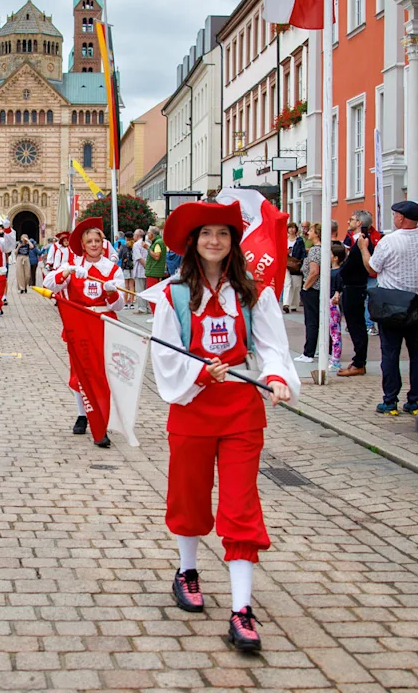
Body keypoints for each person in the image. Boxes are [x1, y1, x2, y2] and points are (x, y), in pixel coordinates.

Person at [141, 200, 298, 654]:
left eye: (223, 234)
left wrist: (276, 378)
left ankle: (241, 610)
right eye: (207, 233)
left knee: (240, 503)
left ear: (233, 243)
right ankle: (187, 570)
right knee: (188, 493)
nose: (215, 241)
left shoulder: (253, 293)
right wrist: (197, 374)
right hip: (192, 408)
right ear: (193, 243)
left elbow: (271, 346)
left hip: (241, 411)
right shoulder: (172, 295)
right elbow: (165, 354)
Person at [43, 216, 125, 447]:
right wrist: (66, 272)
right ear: (83, 244)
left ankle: (103, 417)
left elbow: (119, 305)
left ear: (103, 242)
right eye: (89, 241)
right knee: (80, 369)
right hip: (78, 324)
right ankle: (83, 414)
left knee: (102, 372)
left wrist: (111, 292)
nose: (94, 245)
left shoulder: (112, 269)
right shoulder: (74, 264)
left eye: (97, 240)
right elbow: (50, 285)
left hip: (103, 324)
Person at [357, 200, 418, 416]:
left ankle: (390, 400)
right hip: (417, 307)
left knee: (390, 354)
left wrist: (364, 249)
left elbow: (372, 269)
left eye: (394, 215)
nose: (394, 218)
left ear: (401, 217)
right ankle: (416, 400)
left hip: (390, 308)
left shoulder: (389, 241)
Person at [338, 210, 379, 376]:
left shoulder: (363, 242)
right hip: (350, 286)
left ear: (359, 223)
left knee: (357, 325)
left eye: (352, 219)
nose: (349, 221)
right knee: (353, 324)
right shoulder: (354, 241)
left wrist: (343, 269)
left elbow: (356, 265)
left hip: (356, 287)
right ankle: (358, 359)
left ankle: (359, 362)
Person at [294, 223, 323, 363]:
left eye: (311, 230)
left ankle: (308, 353)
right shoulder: (323, 249)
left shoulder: (315, 251)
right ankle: (325, 349)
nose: (308, 233)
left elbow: (314, 271)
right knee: (320, 320)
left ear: (317, 233)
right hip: (319, 290)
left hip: (313, 289)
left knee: (311, 321)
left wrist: (305, 287)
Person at [328, 242, 345, 372]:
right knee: (332, 331)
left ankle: (336, 359)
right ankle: (333, 356)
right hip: (329, 302)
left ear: (336, 258)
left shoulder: (338, 272)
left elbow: (339, 288)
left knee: (335, 331)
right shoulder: (331, 271)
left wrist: (337, 295)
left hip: (333, 304)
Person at [283, 223, 306, 313]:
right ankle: (286, 304)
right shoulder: (285, 240)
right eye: (290, 228)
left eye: (293, 228)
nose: (291, 230)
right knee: (287, 283)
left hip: (296, 263)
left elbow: (303, 252)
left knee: (296, 285)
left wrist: (302, 262)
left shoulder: (299, 240)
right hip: (286, 263)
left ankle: (293, 304)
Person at [144, 226, 167, 314]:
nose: (147, 235)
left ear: (152, 234)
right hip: (156, 271)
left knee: (152, 295)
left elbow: (157, 256)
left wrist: (148, 248)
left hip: (153, 271)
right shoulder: (159, 242)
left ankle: (155, 314)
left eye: (148, 233)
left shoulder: (157, 243)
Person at [132, 229, 149, 312]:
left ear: (137, 236)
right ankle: (148, 307)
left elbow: (139, 258)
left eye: (134, 235)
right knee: (147, 289)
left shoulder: (136, 245)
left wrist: (146, 267)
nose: (133, 236)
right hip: (148, 270)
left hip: (140, 270)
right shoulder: (148, 243)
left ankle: (142, 308)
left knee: (140, 290)